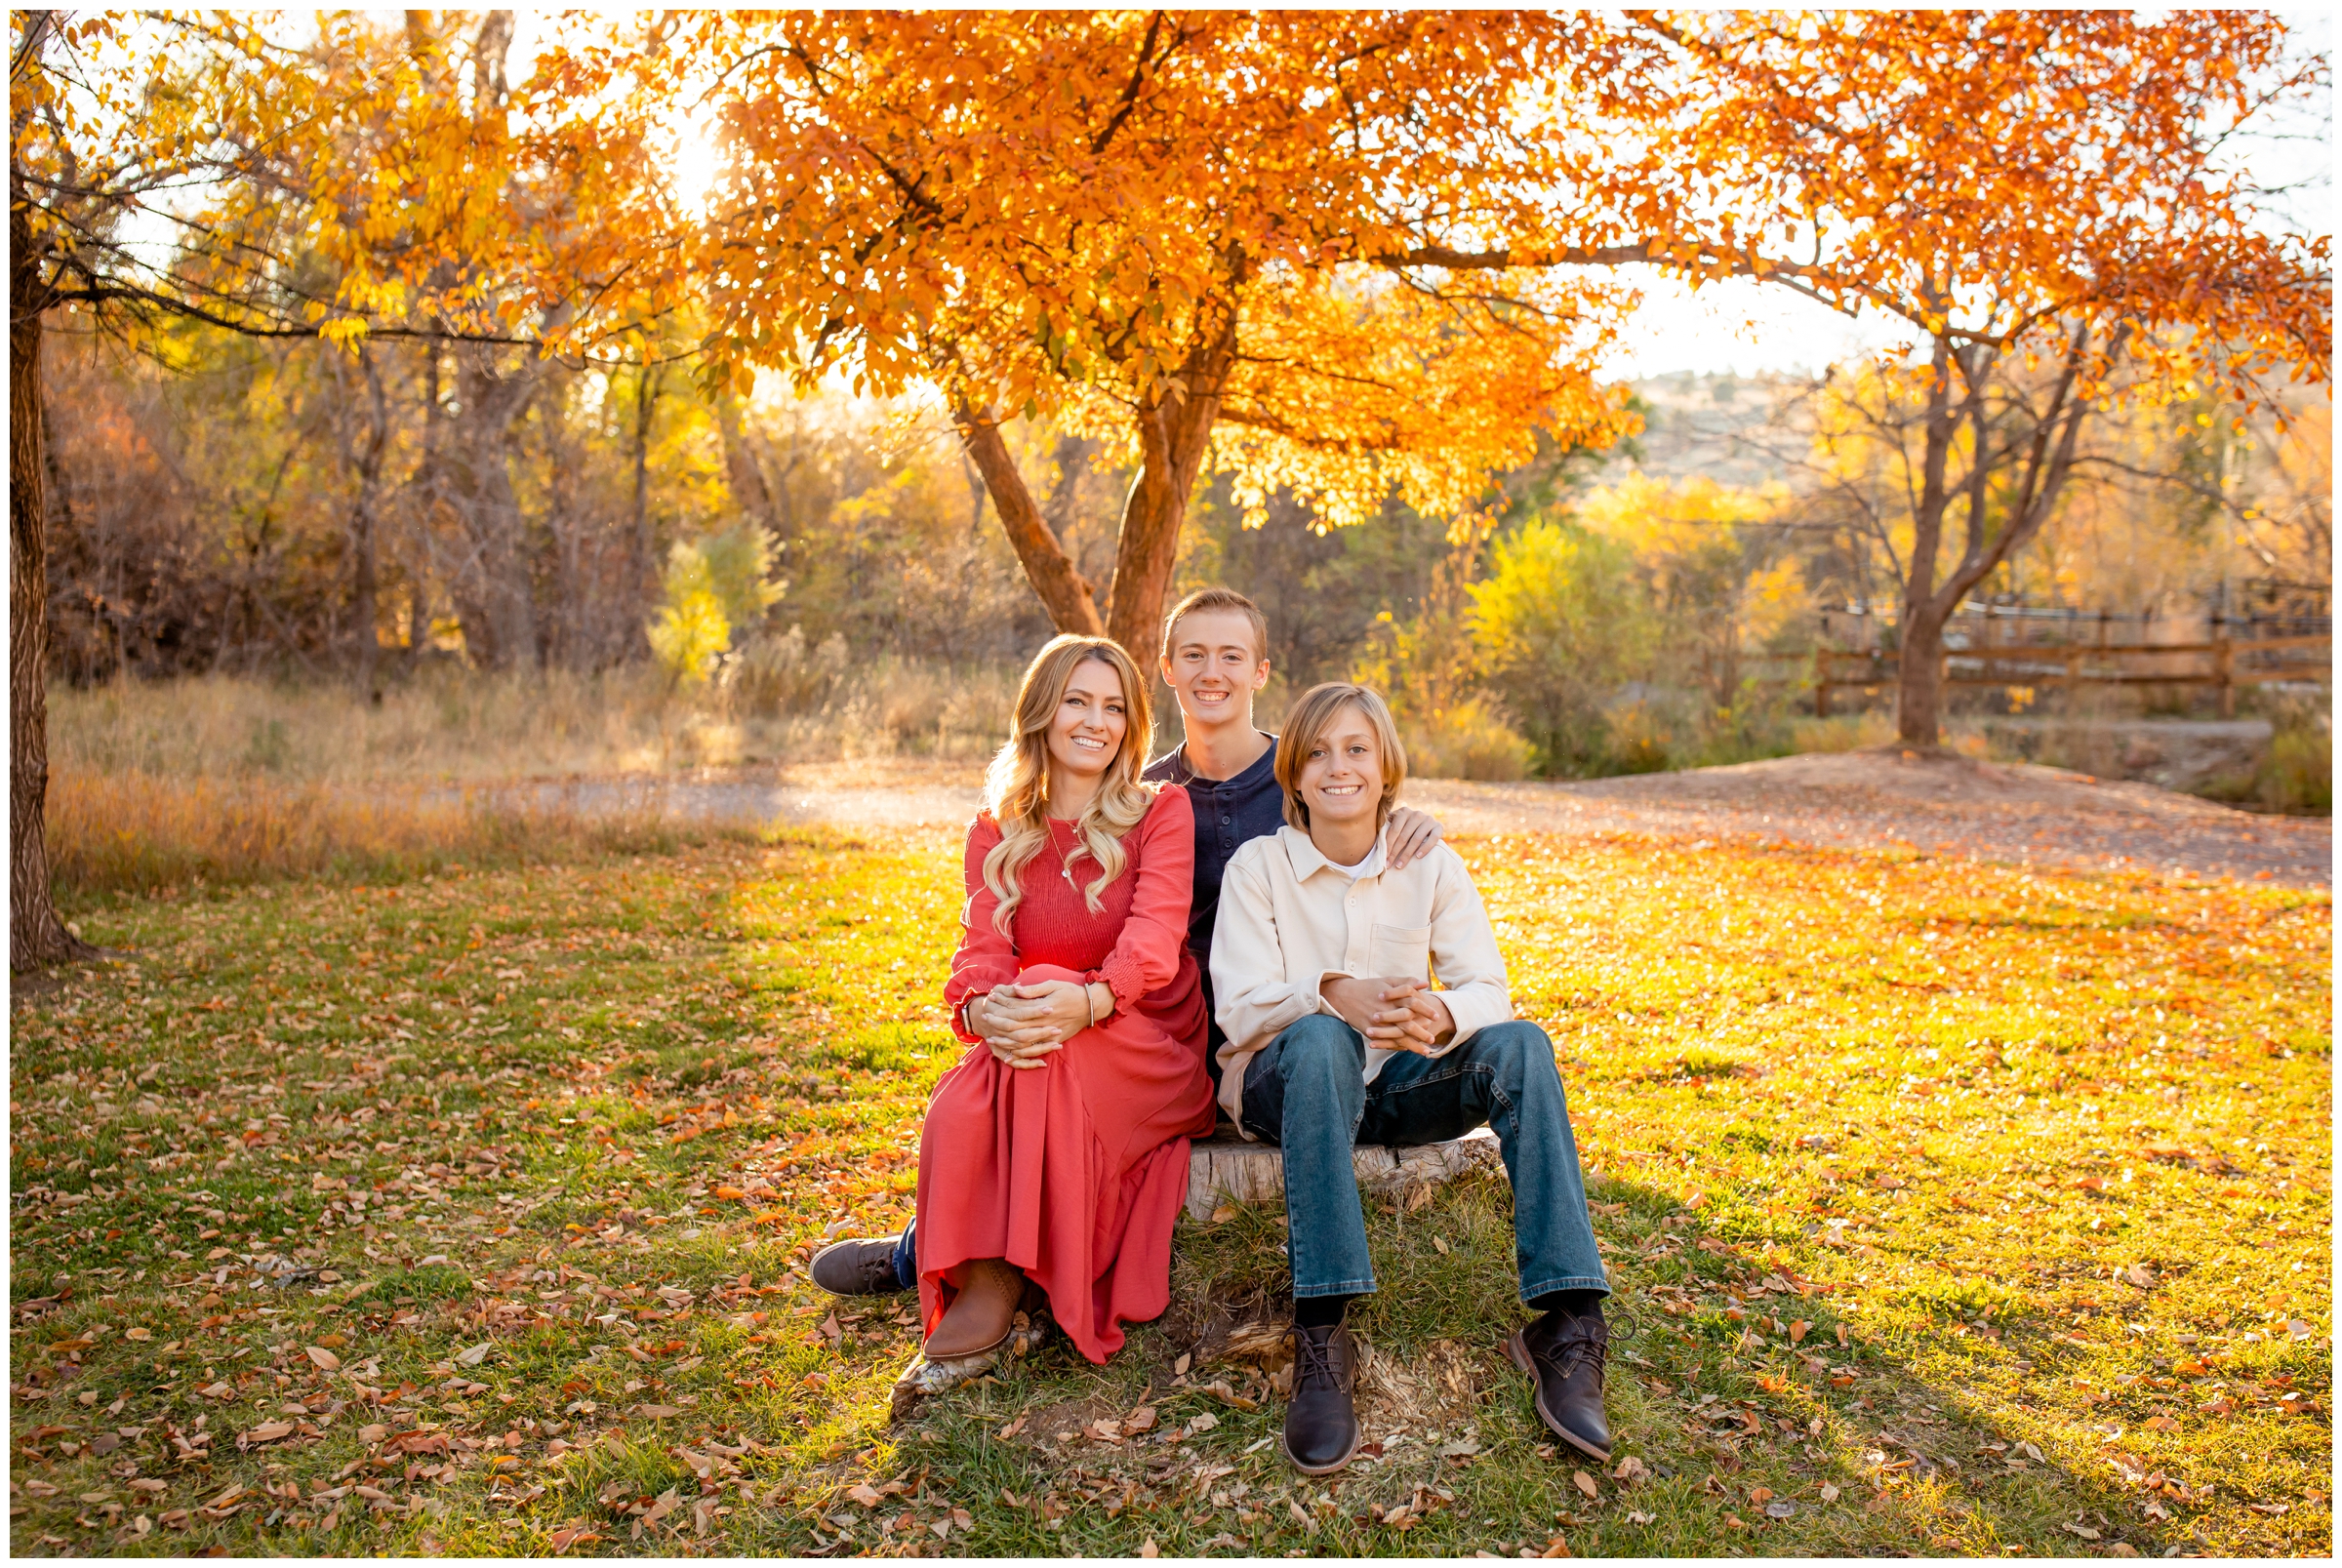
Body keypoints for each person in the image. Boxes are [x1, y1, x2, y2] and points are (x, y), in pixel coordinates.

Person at [813, 589, 1445, 1299]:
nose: (1213, 672)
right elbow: (1018, 929)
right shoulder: (1144, 791)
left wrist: (1401, 814)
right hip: (1140, 1016)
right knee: (1030, 1046)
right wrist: (990, 1005)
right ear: (1167, 670)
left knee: (1053, 1045)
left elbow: (1359, 805)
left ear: (1260, 671)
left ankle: (942, 1255)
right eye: (1194, 655)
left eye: (1231, 656)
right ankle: (933, 1249)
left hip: (1271, 1033)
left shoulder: (1301, 780)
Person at [1211, 681, 1614, 1474]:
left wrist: (1438, 1014)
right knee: (1324, 1040)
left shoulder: (1428, 861)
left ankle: (1568, 1320)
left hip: (1392, 1084)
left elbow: (1488, 991)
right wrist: (1333, 992)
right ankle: (1323, 1331)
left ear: (1385, 766)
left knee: (1522, 1045)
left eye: (1357, 749)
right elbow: (1242, 1007)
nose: (1339, 767)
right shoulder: (1259, 866)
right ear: (1293, 775)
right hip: (1282, 1086)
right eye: (1319, 752)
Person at [898, 634, 1217, 1363]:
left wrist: (1090, 1000)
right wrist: (981, 1011)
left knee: (1041, 1000)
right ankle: (981, 1273)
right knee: (957, 1102)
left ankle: (1005, 1281)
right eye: (1077, 700)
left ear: (1131, 725)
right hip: (1043, 1025)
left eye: (1113, 707)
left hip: (1147, 1030)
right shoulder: (998, 827)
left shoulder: (1159, 812)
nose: (1095, 721)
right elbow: (982, 949)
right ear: (1042, 710)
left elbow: (1153, 942)